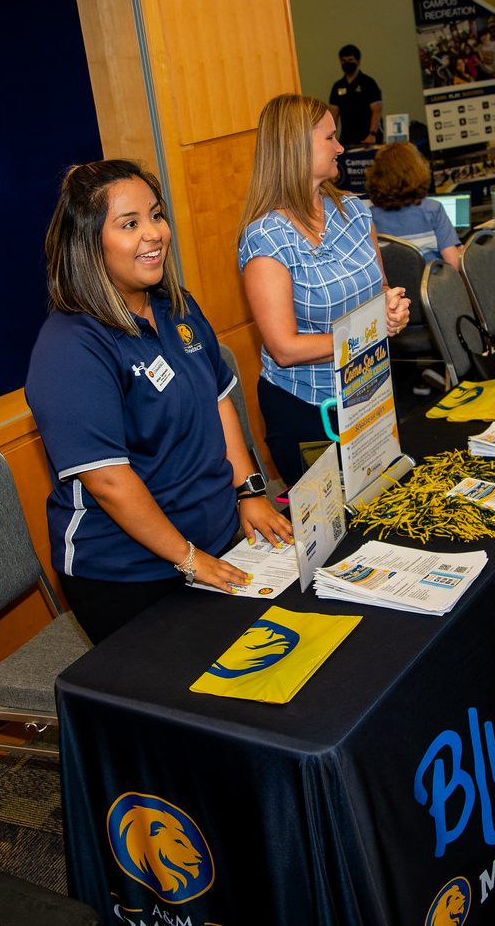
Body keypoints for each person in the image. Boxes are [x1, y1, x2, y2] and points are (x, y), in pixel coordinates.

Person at [26, 160, 294, 644]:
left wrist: (249, 492)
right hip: (128, 573)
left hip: (217, 538)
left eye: (155, 215)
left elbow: (218, 402)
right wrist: (188, 559)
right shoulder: (70, 346)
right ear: (89, 243)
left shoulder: (178, 305)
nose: (153, 234)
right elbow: (108, 480)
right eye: (129, 224)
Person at [238, 94, 410, 487]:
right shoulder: (266, 237)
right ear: (296, 148)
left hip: (369, 392)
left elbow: (378, 290)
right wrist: (370, 330)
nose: (341, 148)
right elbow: (284, 348)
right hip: (307, 409)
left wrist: (392, 310)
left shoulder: (354, 210)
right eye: (330, 139)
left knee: (383, 509)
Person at [365, 142, 462, 269]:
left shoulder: (368, 217)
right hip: (430, 286)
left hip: (393, 288)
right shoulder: (433, 210)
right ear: (417, 171)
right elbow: (453, 264)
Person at [328, 43, 382, 144]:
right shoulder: (338, 86)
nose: (347, 63)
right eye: (343, 61)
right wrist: (331, 138)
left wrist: (372, 134)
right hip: (347, 138)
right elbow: (333, 115)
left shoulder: (368, 83)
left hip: (368, 138)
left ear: (358, 61)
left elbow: (377, 110)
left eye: (350, 60)